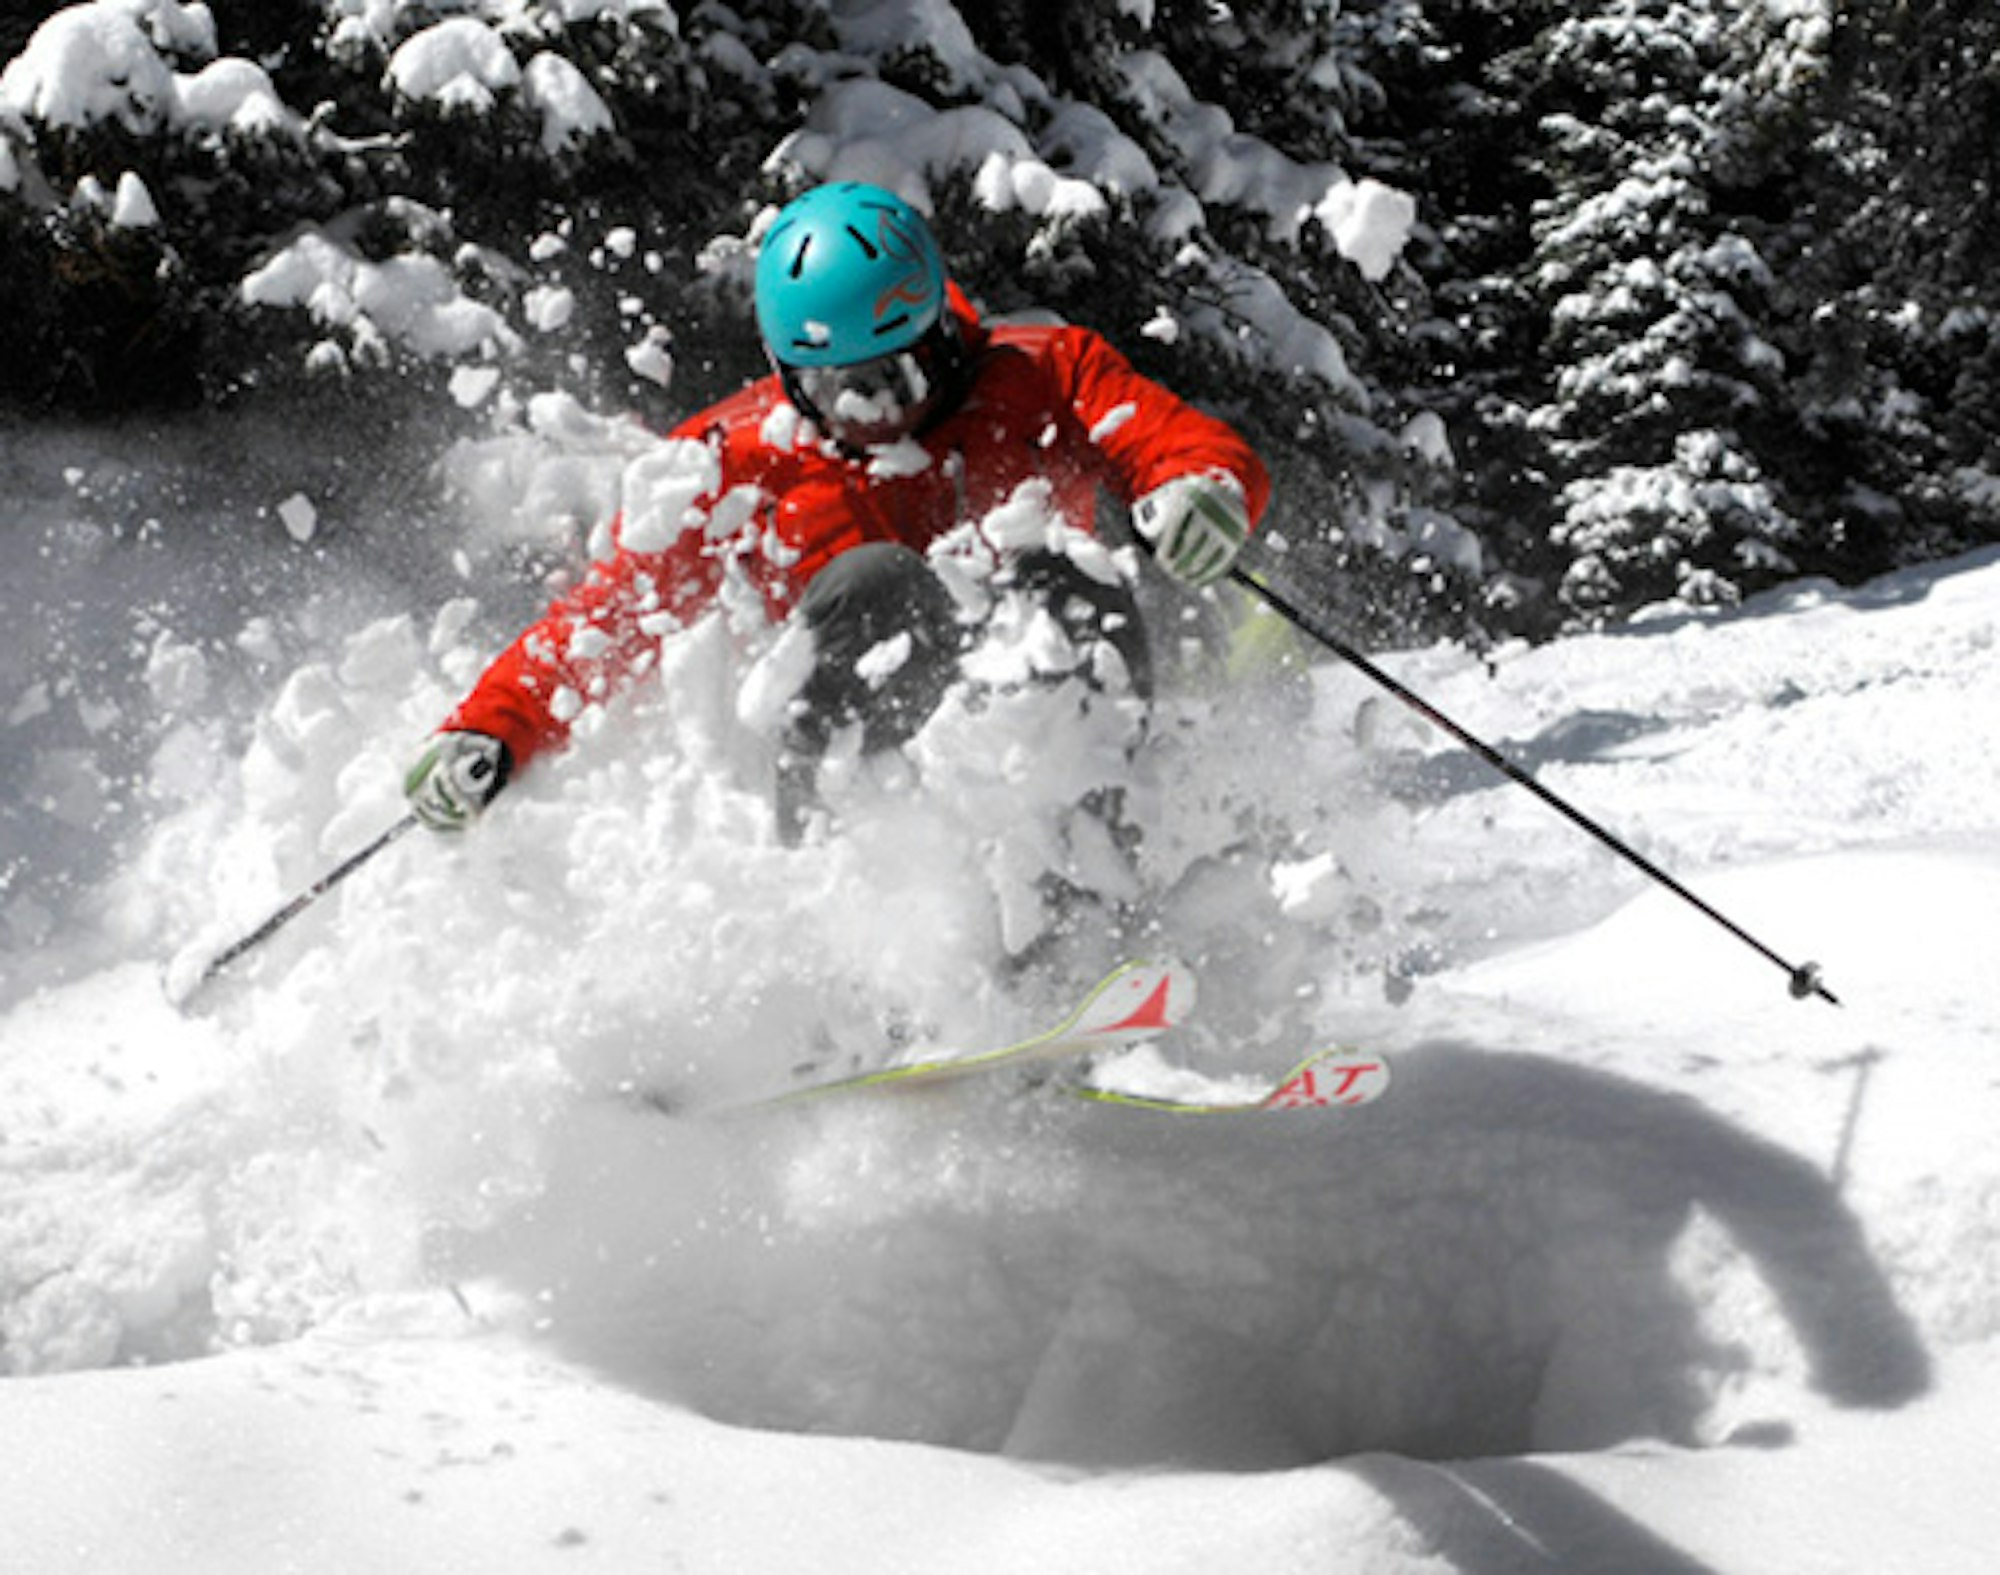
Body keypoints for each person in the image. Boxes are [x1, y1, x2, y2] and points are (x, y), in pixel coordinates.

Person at [405, 181, 1271, 845]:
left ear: (939, 332)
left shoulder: (1041, 374)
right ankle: (854, 926)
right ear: (788, 376)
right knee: (873, 582)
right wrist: (493, 731)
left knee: (1055, 570)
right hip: (861, 766)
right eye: (836, 388)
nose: (872, 412)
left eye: (896, 376)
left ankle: (1096, 881)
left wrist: (1197, 494)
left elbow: (1173, 444)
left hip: (1040, 719)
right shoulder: (737, 461)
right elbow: (608, 617)